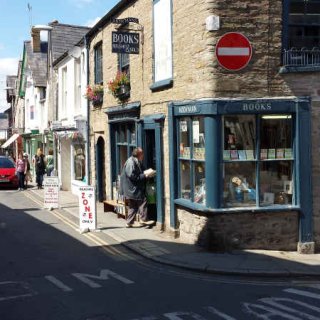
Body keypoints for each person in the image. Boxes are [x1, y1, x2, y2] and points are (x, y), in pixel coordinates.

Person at [120, 147, 156, 228]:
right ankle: (143, 220)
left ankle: (129, 222)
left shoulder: (135, 161)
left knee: (133, 206)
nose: (143, 155)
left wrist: (147, 173)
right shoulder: (131, 162)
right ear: (139, 154)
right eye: (142, 153)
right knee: (143, 201)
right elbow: (133, 176)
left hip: (131, 189)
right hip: (132, 189)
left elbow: (138, 172)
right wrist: (145, 175)